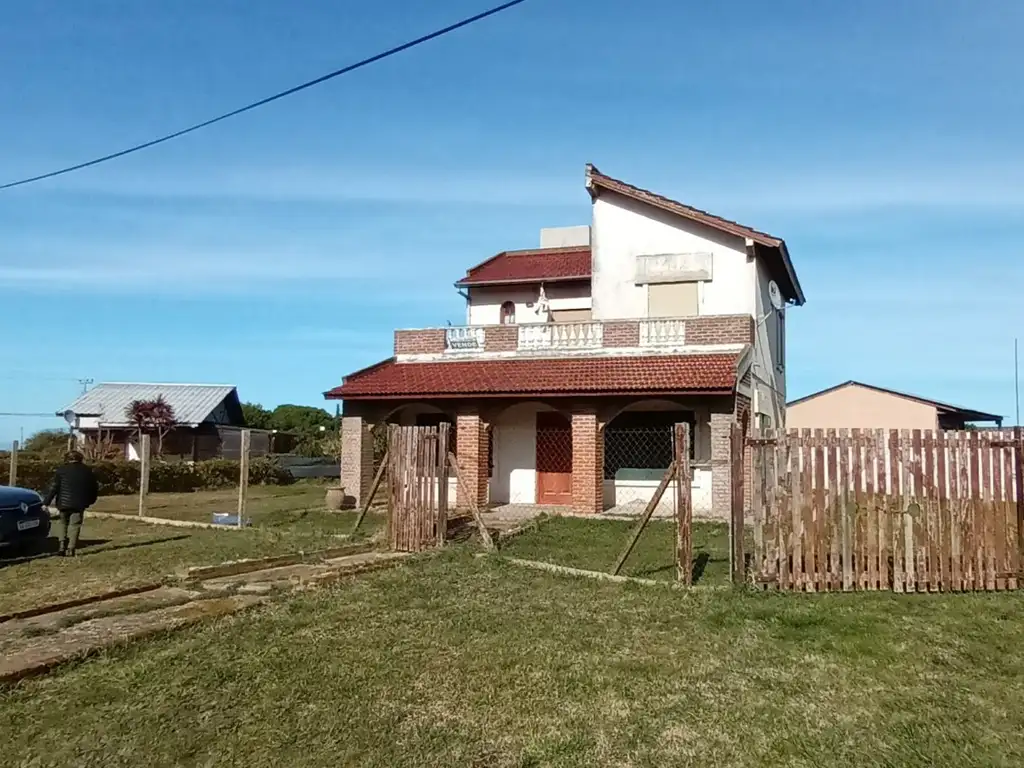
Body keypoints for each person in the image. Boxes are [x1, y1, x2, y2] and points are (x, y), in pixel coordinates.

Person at [42, 450, 99, 557]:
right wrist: (90, 501)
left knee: (63, 523)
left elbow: (53, 488)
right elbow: (93, 488)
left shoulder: (61, 470)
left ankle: (61, 546)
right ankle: (71, 548)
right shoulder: (87, 471)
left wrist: (46, 502)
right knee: (75, 525)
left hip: (63, 503)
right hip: (79, 504)